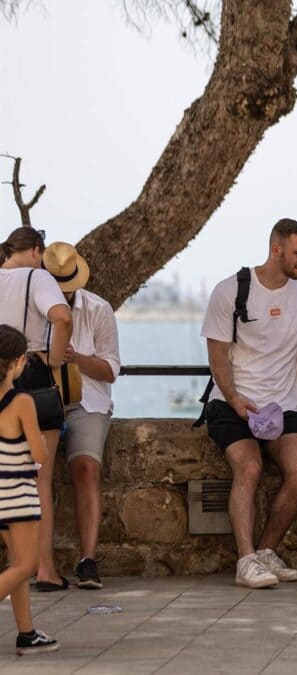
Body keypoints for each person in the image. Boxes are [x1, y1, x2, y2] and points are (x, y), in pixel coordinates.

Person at [199, 219, 297, 589]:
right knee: (249, 469)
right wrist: (235, 398)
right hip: (234, 402)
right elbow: (217, 354)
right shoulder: (232, 290)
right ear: (276, 249)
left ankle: (266, 551)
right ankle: (245, 560)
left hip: (285, 405)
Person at [42, 242, 121, 590]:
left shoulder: (98, 309)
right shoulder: (34, 308)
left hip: (86, 401)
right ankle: (38, 562)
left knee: (87, 468)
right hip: (42, 400)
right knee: (34, 473)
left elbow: (110, 370)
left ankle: (88, 560)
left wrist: (74, 358)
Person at [0, 227, 73, 592]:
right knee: (38, 477)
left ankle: (15, 566)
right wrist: (55, 360)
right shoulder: (38, 277)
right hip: (31, 374)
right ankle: (43, 568)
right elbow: (62, 317)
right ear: (35, 251)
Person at [0, 325, 60, 654]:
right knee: (28, 564)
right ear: (19, 362)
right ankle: (26, 632)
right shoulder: (21, 401)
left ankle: (27, 633)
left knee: (16, 562)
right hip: (17, 494)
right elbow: (39, 453)